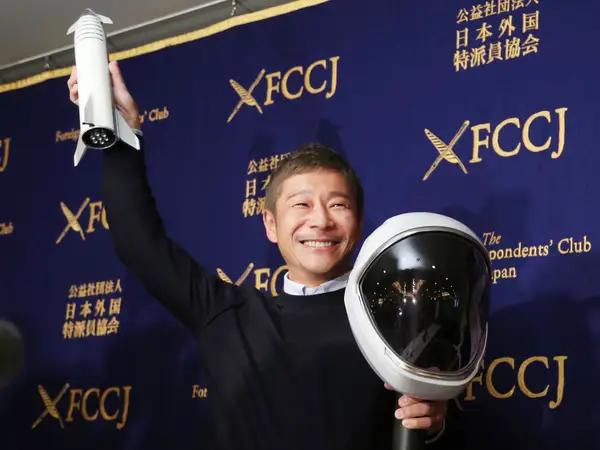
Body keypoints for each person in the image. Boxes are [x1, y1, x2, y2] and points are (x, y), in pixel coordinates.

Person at [67, 61, 452, 450]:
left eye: (338, 205)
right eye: (301, 205)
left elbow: (423, 422)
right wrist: (122, 133)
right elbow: (137, 242)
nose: (321, 221)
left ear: (358, 220)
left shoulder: (395, 322)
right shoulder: (226, 314)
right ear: (270, 224)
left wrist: (431, 424)